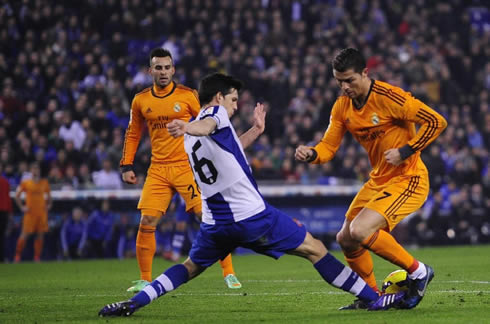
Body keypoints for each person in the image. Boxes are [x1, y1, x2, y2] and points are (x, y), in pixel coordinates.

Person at [98, 73, 404, 317]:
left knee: (189, 267)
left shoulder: (191, 143)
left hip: (215, 224)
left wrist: (255, 131)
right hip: (252, 216)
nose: (234, 106)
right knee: (316, 249)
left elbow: (228, 150)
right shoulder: (213, 114)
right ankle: (374, 299)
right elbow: (207, 124)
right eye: (233, 100)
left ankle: (134, 303)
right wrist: (191, 125)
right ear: (219, 98)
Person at [295, 48, 448, 310]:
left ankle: (419, 271)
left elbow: (437, 122)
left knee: (360, 230)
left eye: (350, 80)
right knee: (345, 238)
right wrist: (311, 154)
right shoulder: (342, 106)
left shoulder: (391, 98)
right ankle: (371, 296)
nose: (344, 87)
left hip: (408, 178)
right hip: (379, 181)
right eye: (339, 81)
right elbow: (328, 146)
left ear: (365, 73)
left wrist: (406, 151)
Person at [120, 48, 243, 292]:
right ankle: (145, 279)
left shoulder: (188, 96)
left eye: (167, 67)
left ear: (173, 70)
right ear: (150, 70)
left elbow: (209, 122)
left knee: (208, 217)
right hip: (158, 169)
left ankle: (229, 272)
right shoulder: (141, 100)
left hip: (187, 167)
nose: (163, 72)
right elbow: (133, 133)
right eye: (158, 67)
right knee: (147, 219)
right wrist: (127, 164)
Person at [14, 162, 52, 262]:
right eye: (33, 169)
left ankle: (37, 257)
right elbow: (17, 196)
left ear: (39, 170)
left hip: (41, 213)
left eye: (37, 169)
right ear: (31, 171)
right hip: (30, 213)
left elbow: (49, 197)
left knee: (40, 234)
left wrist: (49, 205)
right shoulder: (26, 183)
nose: (35, 171)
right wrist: (22, 207)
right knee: (24, 234)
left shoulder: (44, 183)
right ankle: (17, 256)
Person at [0, 164, 13, 263]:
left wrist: (10, 212)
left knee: (2, 236)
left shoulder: (5, 182)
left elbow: (8, 199)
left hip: (3, 212)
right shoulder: (5, 182)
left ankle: (2, 257)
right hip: (4, 211)